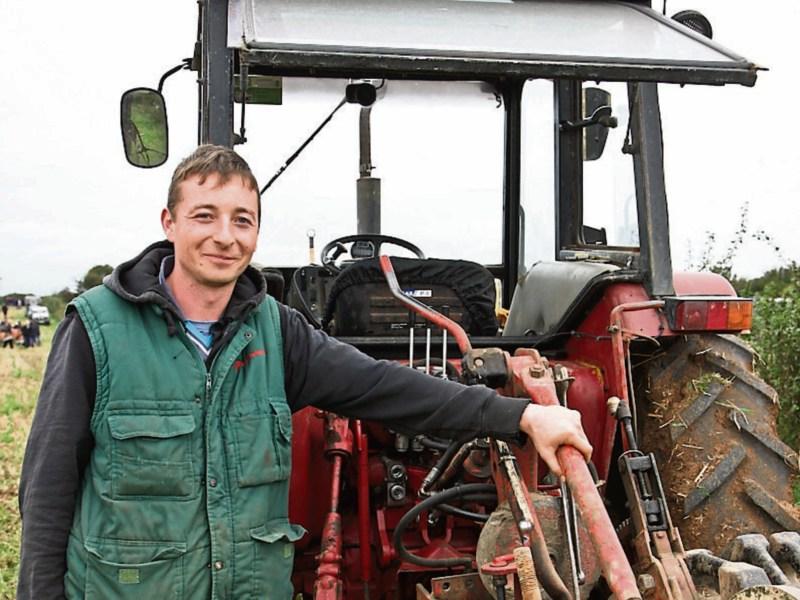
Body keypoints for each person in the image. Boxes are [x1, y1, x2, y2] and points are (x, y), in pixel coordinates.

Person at [18, 145, 591, 599]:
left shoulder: (278, 330)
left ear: (257, 233)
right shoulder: (97, 327)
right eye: (205, 216)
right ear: (170, 222)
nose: (225, 235)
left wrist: (521, 415)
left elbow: (385, 387)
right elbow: (47, 489)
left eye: (243, 220)